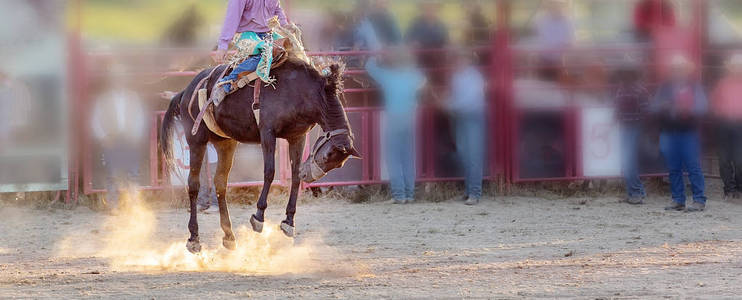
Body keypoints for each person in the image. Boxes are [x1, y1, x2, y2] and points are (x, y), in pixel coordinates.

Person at [366, 48, 426, 204]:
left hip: (394, 118)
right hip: (409, 118)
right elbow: (423, 80)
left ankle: (399, 195)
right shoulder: (413, 76)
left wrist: (377, 55)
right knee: (407, 156)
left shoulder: (389, 76)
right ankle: (410, 194)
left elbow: (370, 67)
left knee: (393, 157)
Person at [651, 54, 708, 212]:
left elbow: (702, 107)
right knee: (674, 168)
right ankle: (678, 200)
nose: (677, 71)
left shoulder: (694, 86)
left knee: (692, 166)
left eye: (680, 69)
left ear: (686, 71)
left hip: (688, 131)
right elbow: (653, 106)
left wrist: (687, 110)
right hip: (670, 131)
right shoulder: (665, 87)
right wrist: (665, 106)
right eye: (675, 69)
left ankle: (698, 199)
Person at [90, 65, 149, 213]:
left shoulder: (133, 97)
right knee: (113, 173)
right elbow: (95, 119)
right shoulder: (103, 99)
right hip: (112, 139)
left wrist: (136, 135)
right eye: (116, 79)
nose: (119, 81)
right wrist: (103, 137)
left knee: (133, 173)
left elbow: (140, 118)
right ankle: (114, 205)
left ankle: (134, 205)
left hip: (129, 138)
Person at [210, 0, 289, 105]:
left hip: (268, 33)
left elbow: (277, 9)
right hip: (246, 34)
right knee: (266, 52)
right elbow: (231, 19)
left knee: (290, 48)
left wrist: (286, 27)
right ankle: (226, 83)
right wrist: (223, 46)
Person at [445, 51, 487, 205]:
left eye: (462, 58)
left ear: (469, 60)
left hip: (472, 116)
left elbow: (469, 99)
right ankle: (470, 191)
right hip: (461, 117)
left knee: (473, 156)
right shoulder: (458, 76)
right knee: (464, 154)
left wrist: (449, 105)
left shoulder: (474, 77)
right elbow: (457, 97)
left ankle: (474, 193)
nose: (459, 61)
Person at [612, 64, 651, 205]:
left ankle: (636, 192)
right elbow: (646, 111)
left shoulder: (636, 90)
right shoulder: (627, 89)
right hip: (628, 126)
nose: (624, 77)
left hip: (633, 127)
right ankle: (635, 191)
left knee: (628, 161)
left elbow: (647, 112)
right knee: (627, 161)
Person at [711, 53, 742, 200]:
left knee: (739, 159)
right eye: (735, 67)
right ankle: (729, 190)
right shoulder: (722, 83)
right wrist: (720, 112)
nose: (738, 69)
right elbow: (714, 102)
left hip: (740, 124)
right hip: (723, 124)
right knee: (724, 159)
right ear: (730, 68)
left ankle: (739, 189)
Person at [534, 0, 574, 81]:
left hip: (560, 61)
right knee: (542, 84)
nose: (555, 7)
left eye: (557, 4)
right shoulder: (540, 20)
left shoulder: (568, 21)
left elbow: (568, 41)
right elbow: (540, 39)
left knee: (558, 86)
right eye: (552, 4)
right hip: (543, 60)